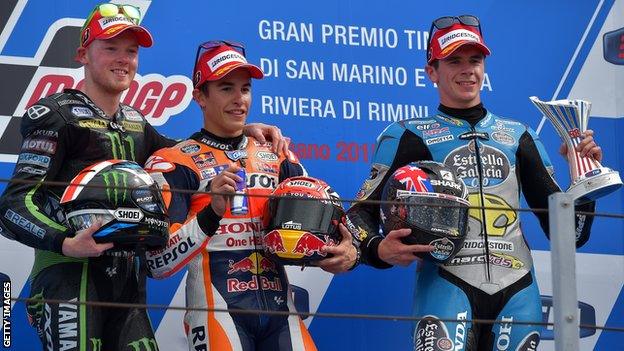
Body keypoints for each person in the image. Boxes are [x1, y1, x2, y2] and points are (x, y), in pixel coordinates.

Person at [0, 4, 293, 350]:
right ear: (83, 54)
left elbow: (191, 153)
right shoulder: (56, 115)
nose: (123, 59)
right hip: (69, 276)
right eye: (111, 48)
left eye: (132, 51)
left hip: (128, 283)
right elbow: (13, 205)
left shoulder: (136, 122)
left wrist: (240, 132)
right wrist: (66, 242)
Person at [345, 15, 602, 350]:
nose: (467, 69)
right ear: (432, 72)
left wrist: (586, 181)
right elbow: (358, 217)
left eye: (475, 60)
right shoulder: (407, 135)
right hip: (445, 285)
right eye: (454, 61)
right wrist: (378, 249)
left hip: (518, 288)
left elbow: (569, 234)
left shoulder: (519, 136)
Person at [143, 40, 357, 351]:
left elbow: (323, 239)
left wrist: (346, 255)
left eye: (245, 89)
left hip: (282, 314)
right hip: (215, 311)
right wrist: (211, 212)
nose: (239, 99)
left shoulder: (279, 155)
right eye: (226, 88)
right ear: (199, 96)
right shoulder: (174, 162)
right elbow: (157, 264)